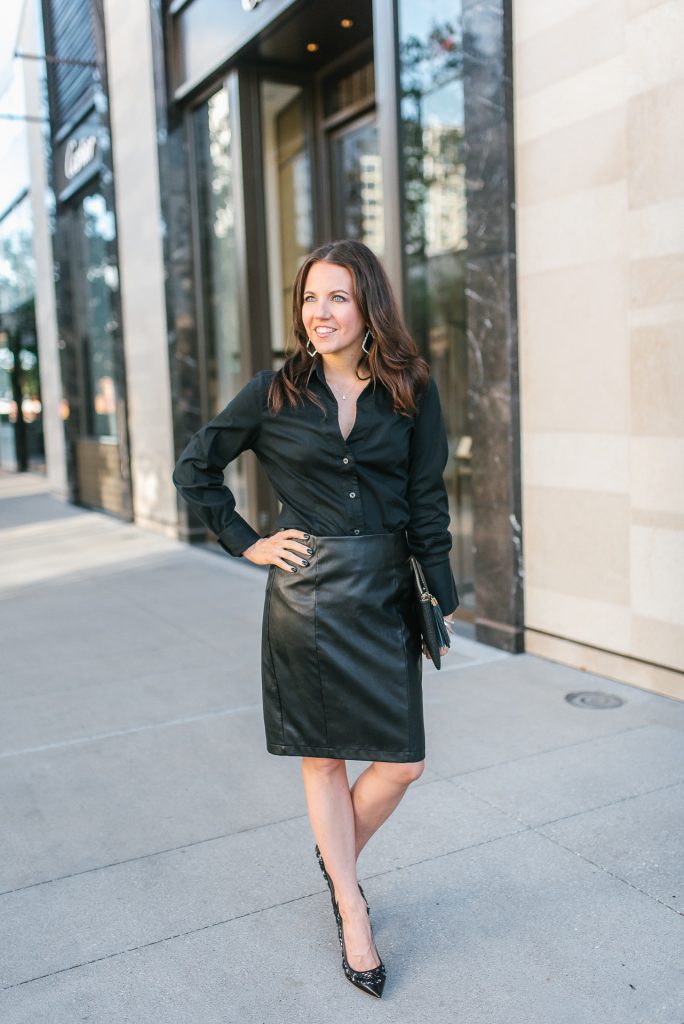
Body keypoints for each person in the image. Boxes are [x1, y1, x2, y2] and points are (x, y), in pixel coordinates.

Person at [172, 239, 459, 998]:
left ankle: (337, 858)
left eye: (336, 296)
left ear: (368, 305)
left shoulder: (411, 387)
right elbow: (196, 467)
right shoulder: (272, 391)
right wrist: (246, 541)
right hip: (306, 597)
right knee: (325, 756)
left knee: (402, 763)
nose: (320, 312)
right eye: (308, 298)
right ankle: (349, 904)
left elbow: (427, 496)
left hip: (385, 590)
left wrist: (442, 588)